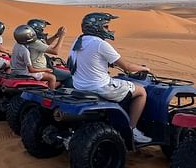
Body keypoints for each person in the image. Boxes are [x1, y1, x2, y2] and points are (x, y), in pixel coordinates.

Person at [68, 12, 152, 143]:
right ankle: (132, 130)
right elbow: (127, 67)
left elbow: (87, 59)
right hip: (100, 87)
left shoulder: (78, 41)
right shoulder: (100, 44)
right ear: (96, 27)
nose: (108, 30)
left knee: (120, 83)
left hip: (80, 86)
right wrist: (144, 68)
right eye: (106, 26)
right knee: (141, 91)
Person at [26, 19, 69, 86]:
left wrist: (56, 35)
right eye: (42, 29)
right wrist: (62, 36)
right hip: (41, 69)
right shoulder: (35, 42)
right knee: (69, 76)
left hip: (38, 67)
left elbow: (46, 43)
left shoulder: (29, 39)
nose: (43, 31)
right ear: (37, 30)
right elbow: (55, 51)